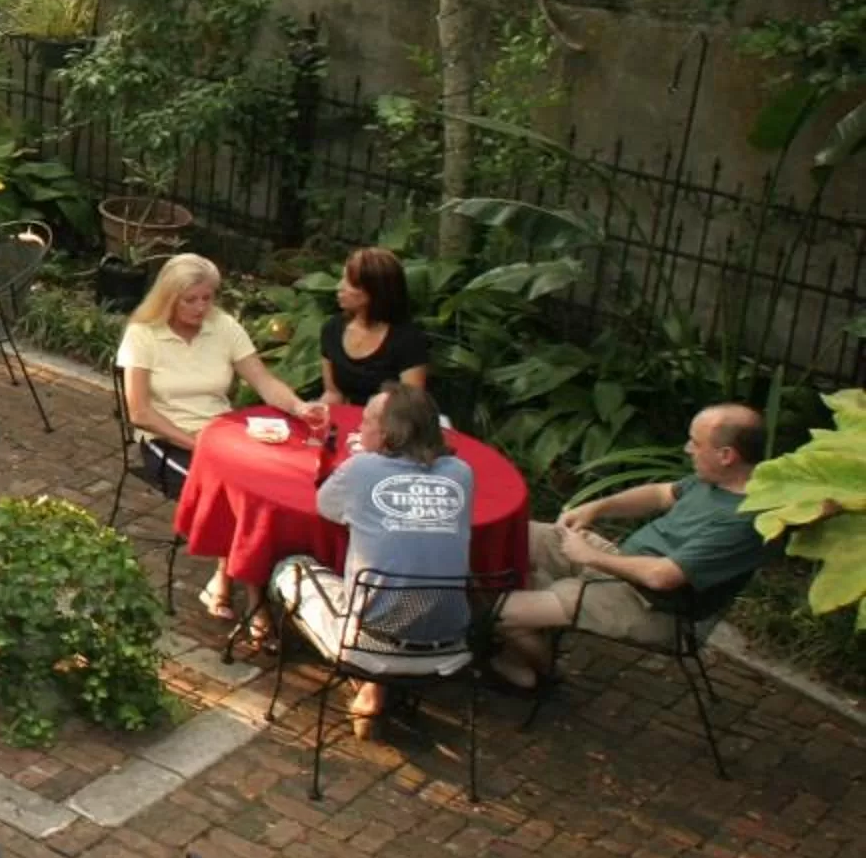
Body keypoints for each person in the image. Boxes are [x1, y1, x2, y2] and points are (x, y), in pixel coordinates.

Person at [490, 404, 776, 693]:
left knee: (499, 612)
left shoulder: (744, 521)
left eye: (696, 443)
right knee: (512, 536)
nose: (688, 449)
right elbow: (660, 494)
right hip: (622, 567)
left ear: (726, 456)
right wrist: (597, 508)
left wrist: (591, 556)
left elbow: (663, 576)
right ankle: (531, 631)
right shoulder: (714, 481)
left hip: (654, 608)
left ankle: (539, 675)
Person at [116, 252, 321, 617]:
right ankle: (255, 602)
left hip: (225, 436)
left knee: (270, 488)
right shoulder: (142, 334)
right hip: (168, 440)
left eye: (207, 298)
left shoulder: (223, 326)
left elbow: (263, 381)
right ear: (168, 298)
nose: (201, 307)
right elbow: (140, 413)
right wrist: (198, 445)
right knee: (236, 496)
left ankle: (225, 581)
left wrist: (299, 407)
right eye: (190, 300)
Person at [269, 384, 474, 734]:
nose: (358, 429)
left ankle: (371, 684)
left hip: (367, 646)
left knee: (289, 569)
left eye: (365, 422)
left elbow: (326, 508)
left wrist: (363, 461)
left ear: (388, 434)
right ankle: (375, 689)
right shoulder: (461, 473)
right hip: (451, 645)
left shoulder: (360, 469)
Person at [320, 246, 432, 407]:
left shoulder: (408, 340)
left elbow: (410, 407)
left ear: (374, 291)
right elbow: (333, 393)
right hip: (349, 416)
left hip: (392, 419)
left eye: (350, 283)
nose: (340, 287)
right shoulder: (332, 329)